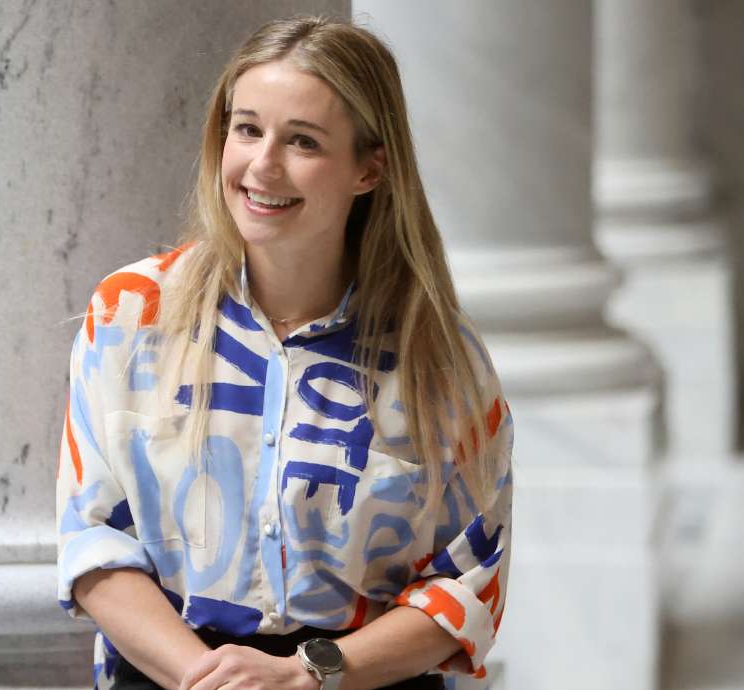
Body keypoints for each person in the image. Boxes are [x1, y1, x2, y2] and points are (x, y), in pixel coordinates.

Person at [56, 15, 513, 690]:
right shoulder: (129, 316)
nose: (262, 165)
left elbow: (467, 584)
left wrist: (307, 676)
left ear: (369, 168)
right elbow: (93, 543)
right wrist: (214, 682)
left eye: (303, 141)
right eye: (247, 129)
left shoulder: (440, 360)